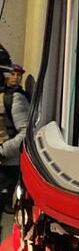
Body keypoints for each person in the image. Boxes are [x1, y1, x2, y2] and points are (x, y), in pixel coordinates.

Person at [0, 63, 29, 208]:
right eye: (13, 74)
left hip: (8, 161)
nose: (16, 78)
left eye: (19, 75)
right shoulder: (4, 95)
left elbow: (25, 132)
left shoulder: (16, 98)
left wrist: (4, 150)